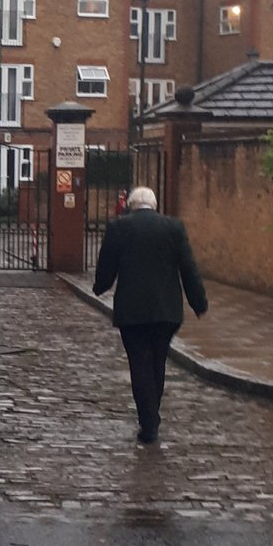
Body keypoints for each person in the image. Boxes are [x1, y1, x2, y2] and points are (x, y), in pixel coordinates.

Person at [93, 186, 207, 445]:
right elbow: (188, 267)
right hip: (166, 310)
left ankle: (149, 421)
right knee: (157, 362)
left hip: (132, 310)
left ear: (130, 205)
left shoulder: (119, 228)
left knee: (139, 365)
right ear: (154, 205)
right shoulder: (173, 227)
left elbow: (107, 264)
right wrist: (198, 302)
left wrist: (100, 286)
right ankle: (151, 414)